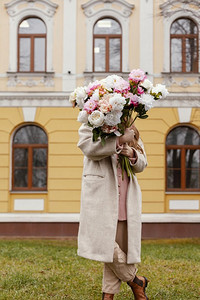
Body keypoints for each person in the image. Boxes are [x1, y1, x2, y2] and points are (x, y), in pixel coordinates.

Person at [77, 122, 149, 300]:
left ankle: (108, 295)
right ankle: (136, 281)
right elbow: (89, 148)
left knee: (116, 249)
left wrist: (132, 153)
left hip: (125, 197)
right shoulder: (91, 124)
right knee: (106, 245)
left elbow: (142, 164)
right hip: (101, 196)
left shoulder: (132, 129)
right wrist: (118, 141)